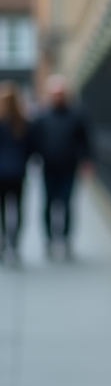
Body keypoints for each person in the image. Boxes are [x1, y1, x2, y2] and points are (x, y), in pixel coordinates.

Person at [31, 75, 92, 260]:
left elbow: (86, 140)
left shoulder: (76, 115)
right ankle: (49, 239)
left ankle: (65, 239)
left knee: (66, 203)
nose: (58, 97)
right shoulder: (43, 116)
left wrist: (87, 160)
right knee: (48, 204)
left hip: (68, 167)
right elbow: (34, 140)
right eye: (55, 94)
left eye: (60, 94)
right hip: (49, 168)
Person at [0, 82, 33, 264]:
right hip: (18, 173)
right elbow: (31, 148)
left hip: (1, 174)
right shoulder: (24, 123)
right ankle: (15, 243)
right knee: (18, 209)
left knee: (3, 210)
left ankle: (4, 242)